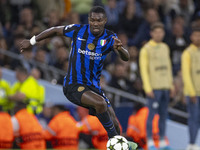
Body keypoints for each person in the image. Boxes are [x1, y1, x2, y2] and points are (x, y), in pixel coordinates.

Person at [20, 6, 138, 149]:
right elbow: (55, 30)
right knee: (101, 104)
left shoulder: (109, 37)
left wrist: (120, 49)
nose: (95, 23)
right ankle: (114, 141)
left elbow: (126, 58)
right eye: (92, 20)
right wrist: (32, 41)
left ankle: (117, 142)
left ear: (104, 21)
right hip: (73, 85)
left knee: (115, 124)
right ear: (89, 20)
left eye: (99, 20)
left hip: (94, 87)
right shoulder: (78, 30)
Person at [139, 22, 174, 150]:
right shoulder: (146, 49)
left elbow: (168, 67)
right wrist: (148, 88)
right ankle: (149, 141)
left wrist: (171, 85)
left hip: (165, 86)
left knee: (164, 115)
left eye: (161, 32)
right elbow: (144, 70)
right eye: (156, 32)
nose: (159, 34)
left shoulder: (165, 47)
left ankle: (162, 139)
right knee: (151, 115)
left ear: (164, 33)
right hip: (154, 88)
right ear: (151, 33)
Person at [181, 25, 200, 150]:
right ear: (191, 37)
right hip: (193, 92)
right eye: (196, 35)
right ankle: (192, 144)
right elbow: (186, 74)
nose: (198, 38)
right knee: (194, 118)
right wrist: (192, 92)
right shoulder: (188, 53)